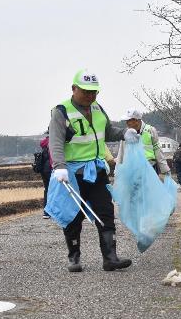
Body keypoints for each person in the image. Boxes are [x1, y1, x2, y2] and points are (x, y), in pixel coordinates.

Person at [47, 69, 133, 273]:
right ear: (74, 89)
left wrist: (124, 134)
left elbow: (108, 132)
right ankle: (74, 257)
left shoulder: (97, 108)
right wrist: (59, 167)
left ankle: (110, 257)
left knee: (105, 211)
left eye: (94, 92)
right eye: (86, 91)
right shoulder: (62, 111)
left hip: (96, 170)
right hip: (73, 173)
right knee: (74, 216)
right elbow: (55, 142)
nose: (90, 96)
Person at [116, 109, 170, 176]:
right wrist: (117, 170)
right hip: (132, 168)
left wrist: (164, 169)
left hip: (150, 167)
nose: (127, 123)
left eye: (129, 120)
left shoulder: (150, 130)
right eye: (126, 121)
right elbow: (121, 152)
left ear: (136, 120)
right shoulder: (126, 133)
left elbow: (157, 149)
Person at [39, 132, 53, 219]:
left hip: (44, 170)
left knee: (47, 190)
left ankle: (46, 212)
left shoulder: (44, 142)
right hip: (52, 169)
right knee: (56, 190)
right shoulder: (54, 141)